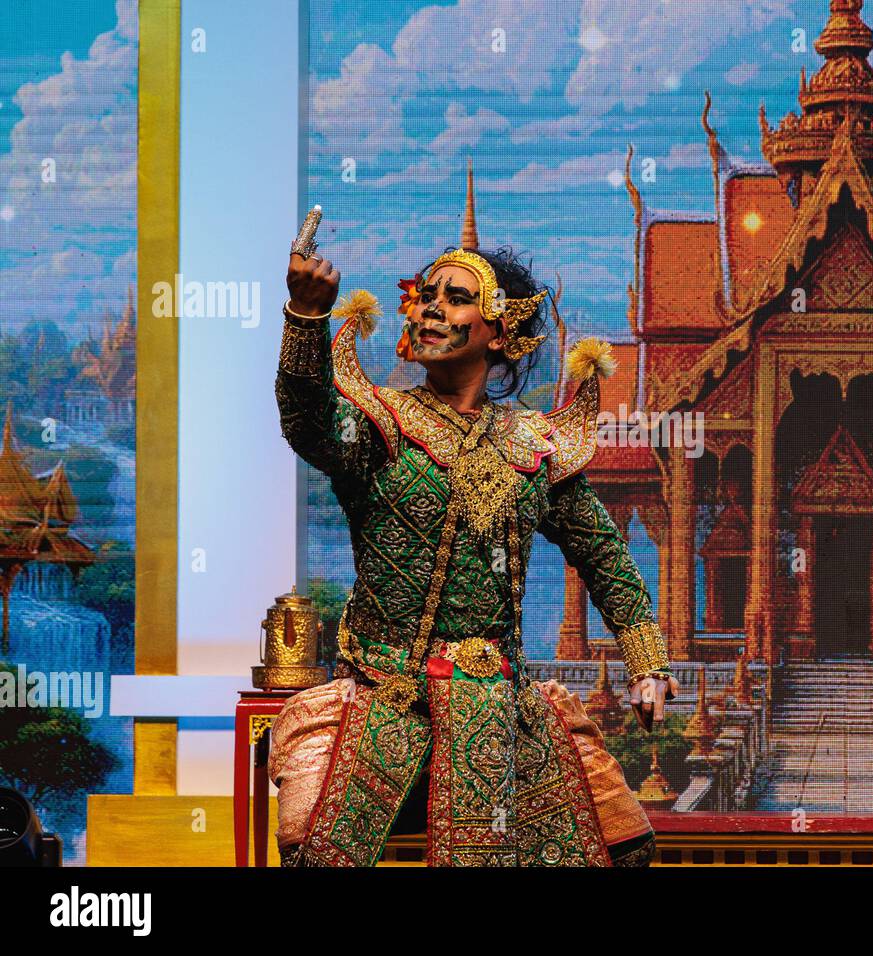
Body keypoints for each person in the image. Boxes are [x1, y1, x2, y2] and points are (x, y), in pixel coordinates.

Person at [267, 210, 677, 867]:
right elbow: (309, 419)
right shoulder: (380, 427)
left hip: (501, 708)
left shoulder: (533, 445)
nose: (430, 309)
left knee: (625, 847)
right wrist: (305, 315)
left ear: (503, 334)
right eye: (424, 295)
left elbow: (603, 553)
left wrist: (648, 664)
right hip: (386, 699)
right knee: (316, 858)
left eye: (456, 298)